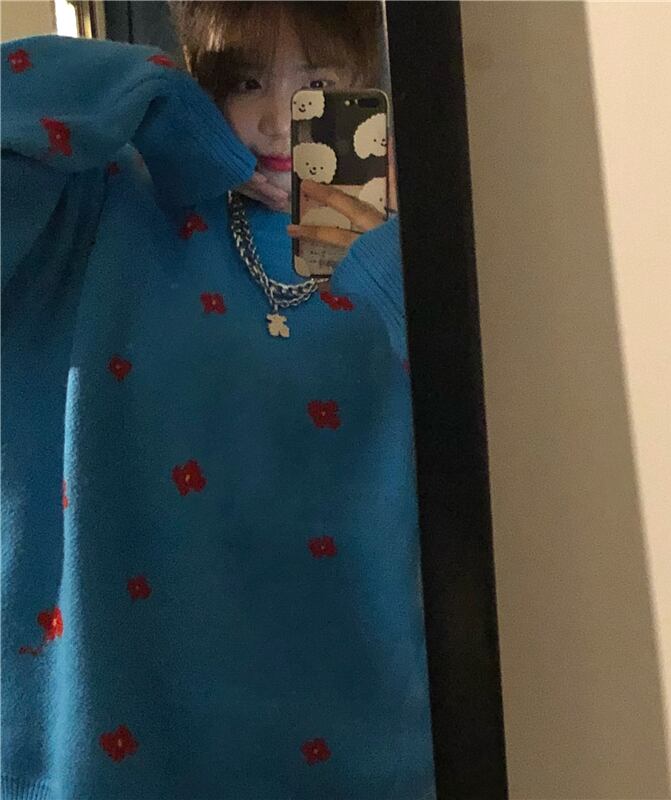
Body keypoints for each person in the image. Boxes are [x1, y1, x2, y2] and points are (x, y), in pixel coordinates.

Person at [1, 2, 435, 798]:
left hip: (358, 742)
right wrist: (149, 96)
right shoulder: (111, 204)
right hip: (115, 736)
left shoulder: (405, 257)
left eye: (317, 83)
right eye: (244, 82)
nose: (278, 120)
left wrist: (374, 219)